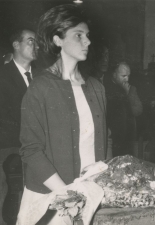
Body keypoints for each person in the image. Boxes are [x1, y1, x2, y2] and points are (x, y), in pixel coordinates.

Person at [17, 4, 111, 224]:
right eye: (78, 35)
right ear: (58, 40)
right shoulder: (40, 88)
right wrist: (68, 194)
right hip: (51, 197)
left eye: (87, 35)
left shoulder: (96, 88)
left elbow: (106, 138)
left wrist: (103, 181)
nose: (87, 41)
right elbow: (31, 150)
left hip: (91, 192)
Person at [0, 28, 37, 225]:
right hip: (8, 147)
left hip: (37, 148)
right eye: (30, 41)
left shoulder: (42, 77)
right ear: (16, 45)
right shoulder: (2, 75)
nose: (36, 46)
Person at [104, 61, 143, 157]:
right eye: (123, 76)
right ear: (114, 75)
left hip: (128, 136)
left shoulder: (131, 89)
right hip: (113, 137)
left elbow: (138, 110)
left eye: (128, 76)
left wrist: (127, 95)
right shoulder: (106, 88)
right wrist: (124, 94)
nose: (127, 79)